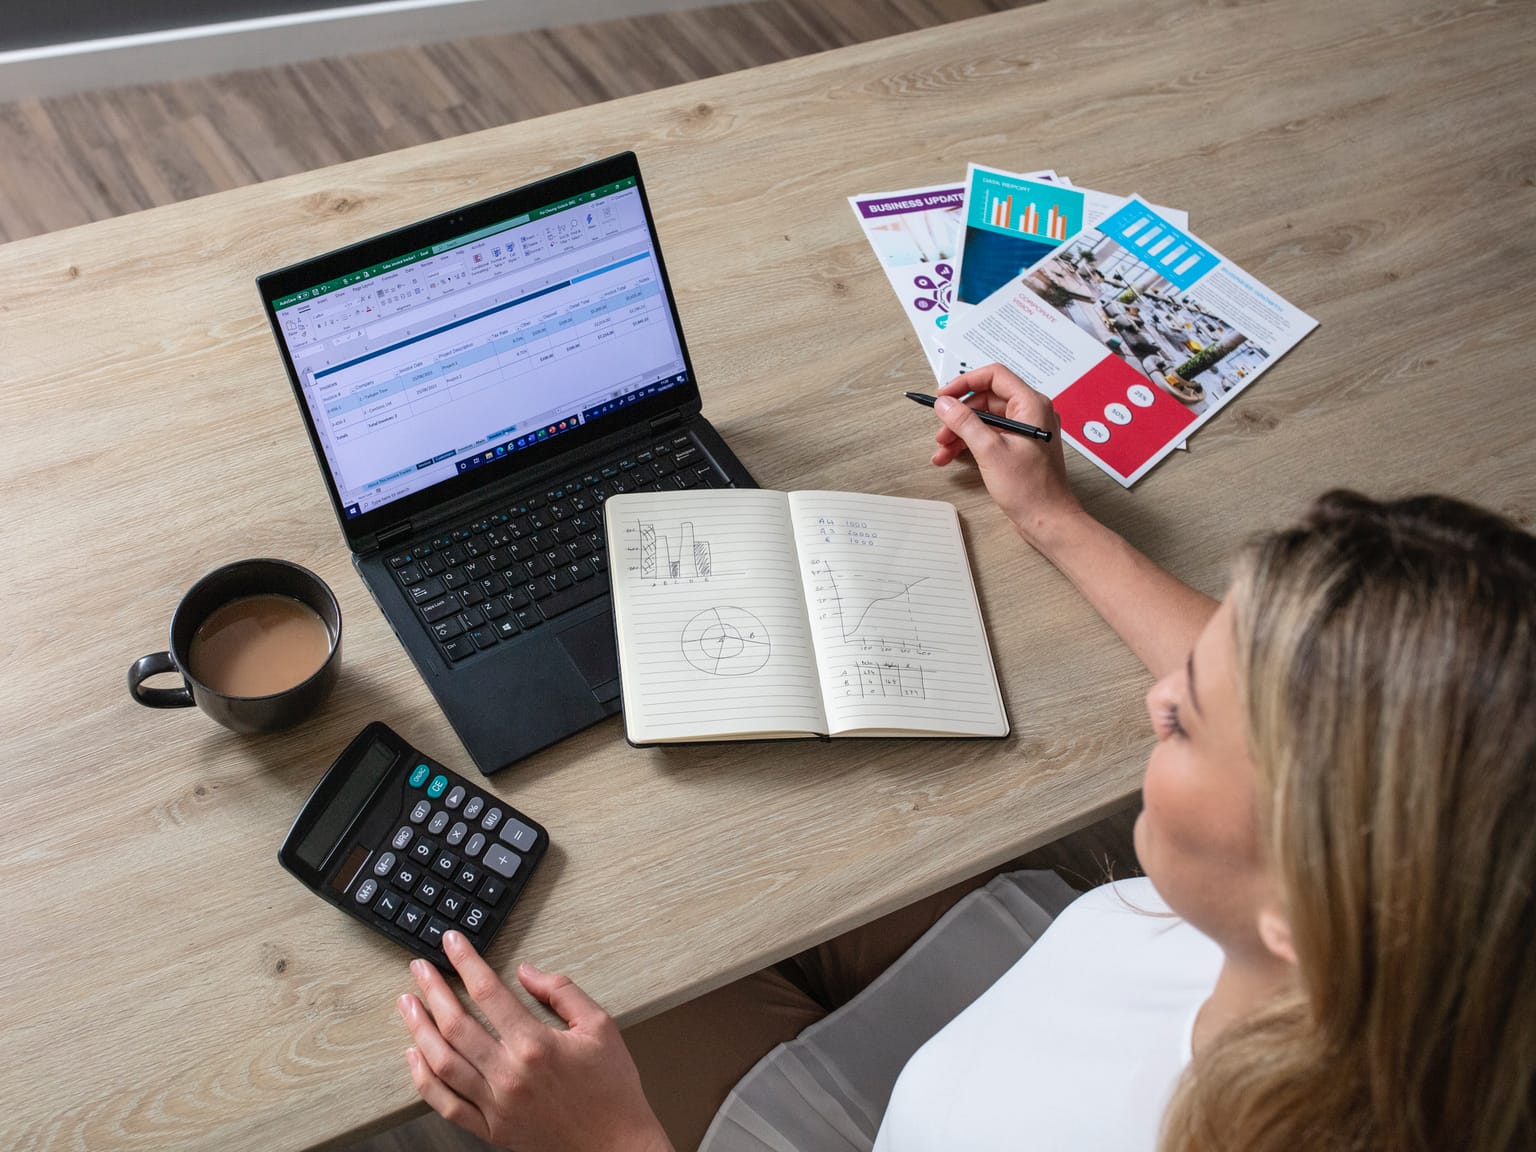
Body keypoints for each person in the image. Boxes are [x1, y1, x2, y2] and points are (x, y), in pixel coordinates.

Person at [393, 364, 1536, 1152]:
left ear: (1310, 904)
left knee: (516, 983)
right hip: (994, 984)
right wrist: (1050, 514)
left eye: (1187, 721)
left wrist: (610, 1141)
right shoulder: (1429, 906)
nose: (1157, 694)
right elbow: (1311, 712)